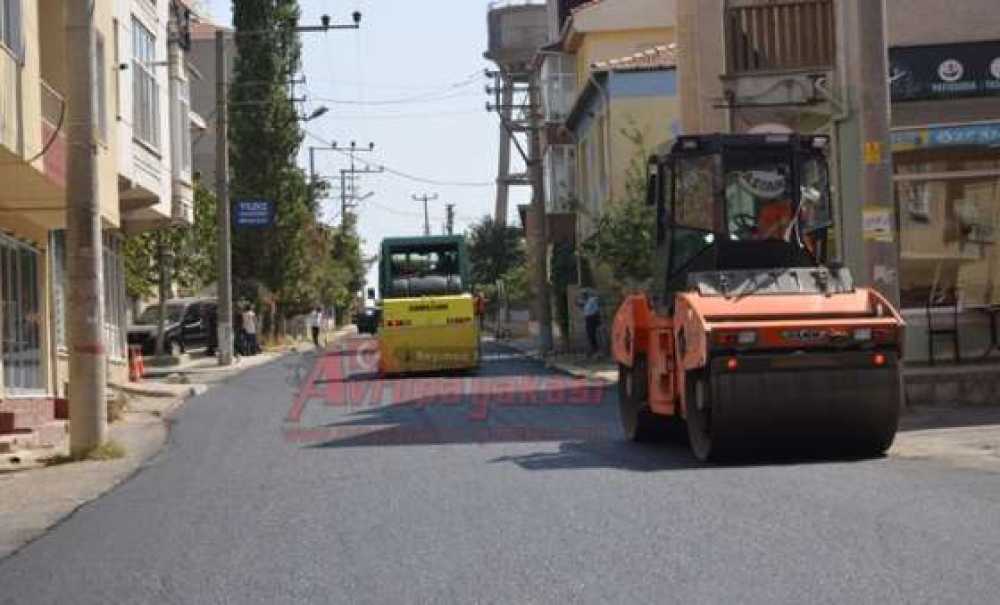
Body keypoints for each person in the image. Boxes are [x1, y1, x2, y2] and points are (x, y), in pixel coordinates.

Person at [583, 290, 601, 357]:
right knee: (589, 334)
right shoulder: (586, 302)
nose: (583, 296)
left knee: (592, 334)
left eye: (584, 295)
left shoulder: (592, 301)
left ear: (587, 295)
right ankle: (593, 349)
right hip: (588, 319)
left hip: (592, 318)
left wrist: (597, 319)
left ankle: (595, 349)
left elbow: (596, 310)